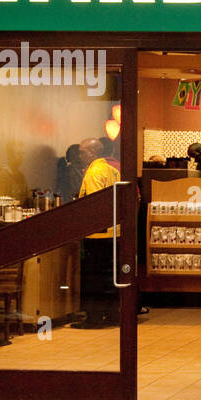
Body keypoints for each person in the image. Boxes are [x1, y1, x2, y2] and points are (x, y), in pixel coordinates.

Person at [73, 137, 121, 329]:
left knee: (93, 278)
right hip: (115, 232)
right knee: (109, 278)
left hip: (97, 235)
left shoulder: (94, 172)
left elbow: (94, 205)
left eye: (82, 151)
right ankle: (112, 315)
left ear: (92, 153)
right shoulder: (112, 169)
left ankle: (93, 317)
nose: (79, 155)